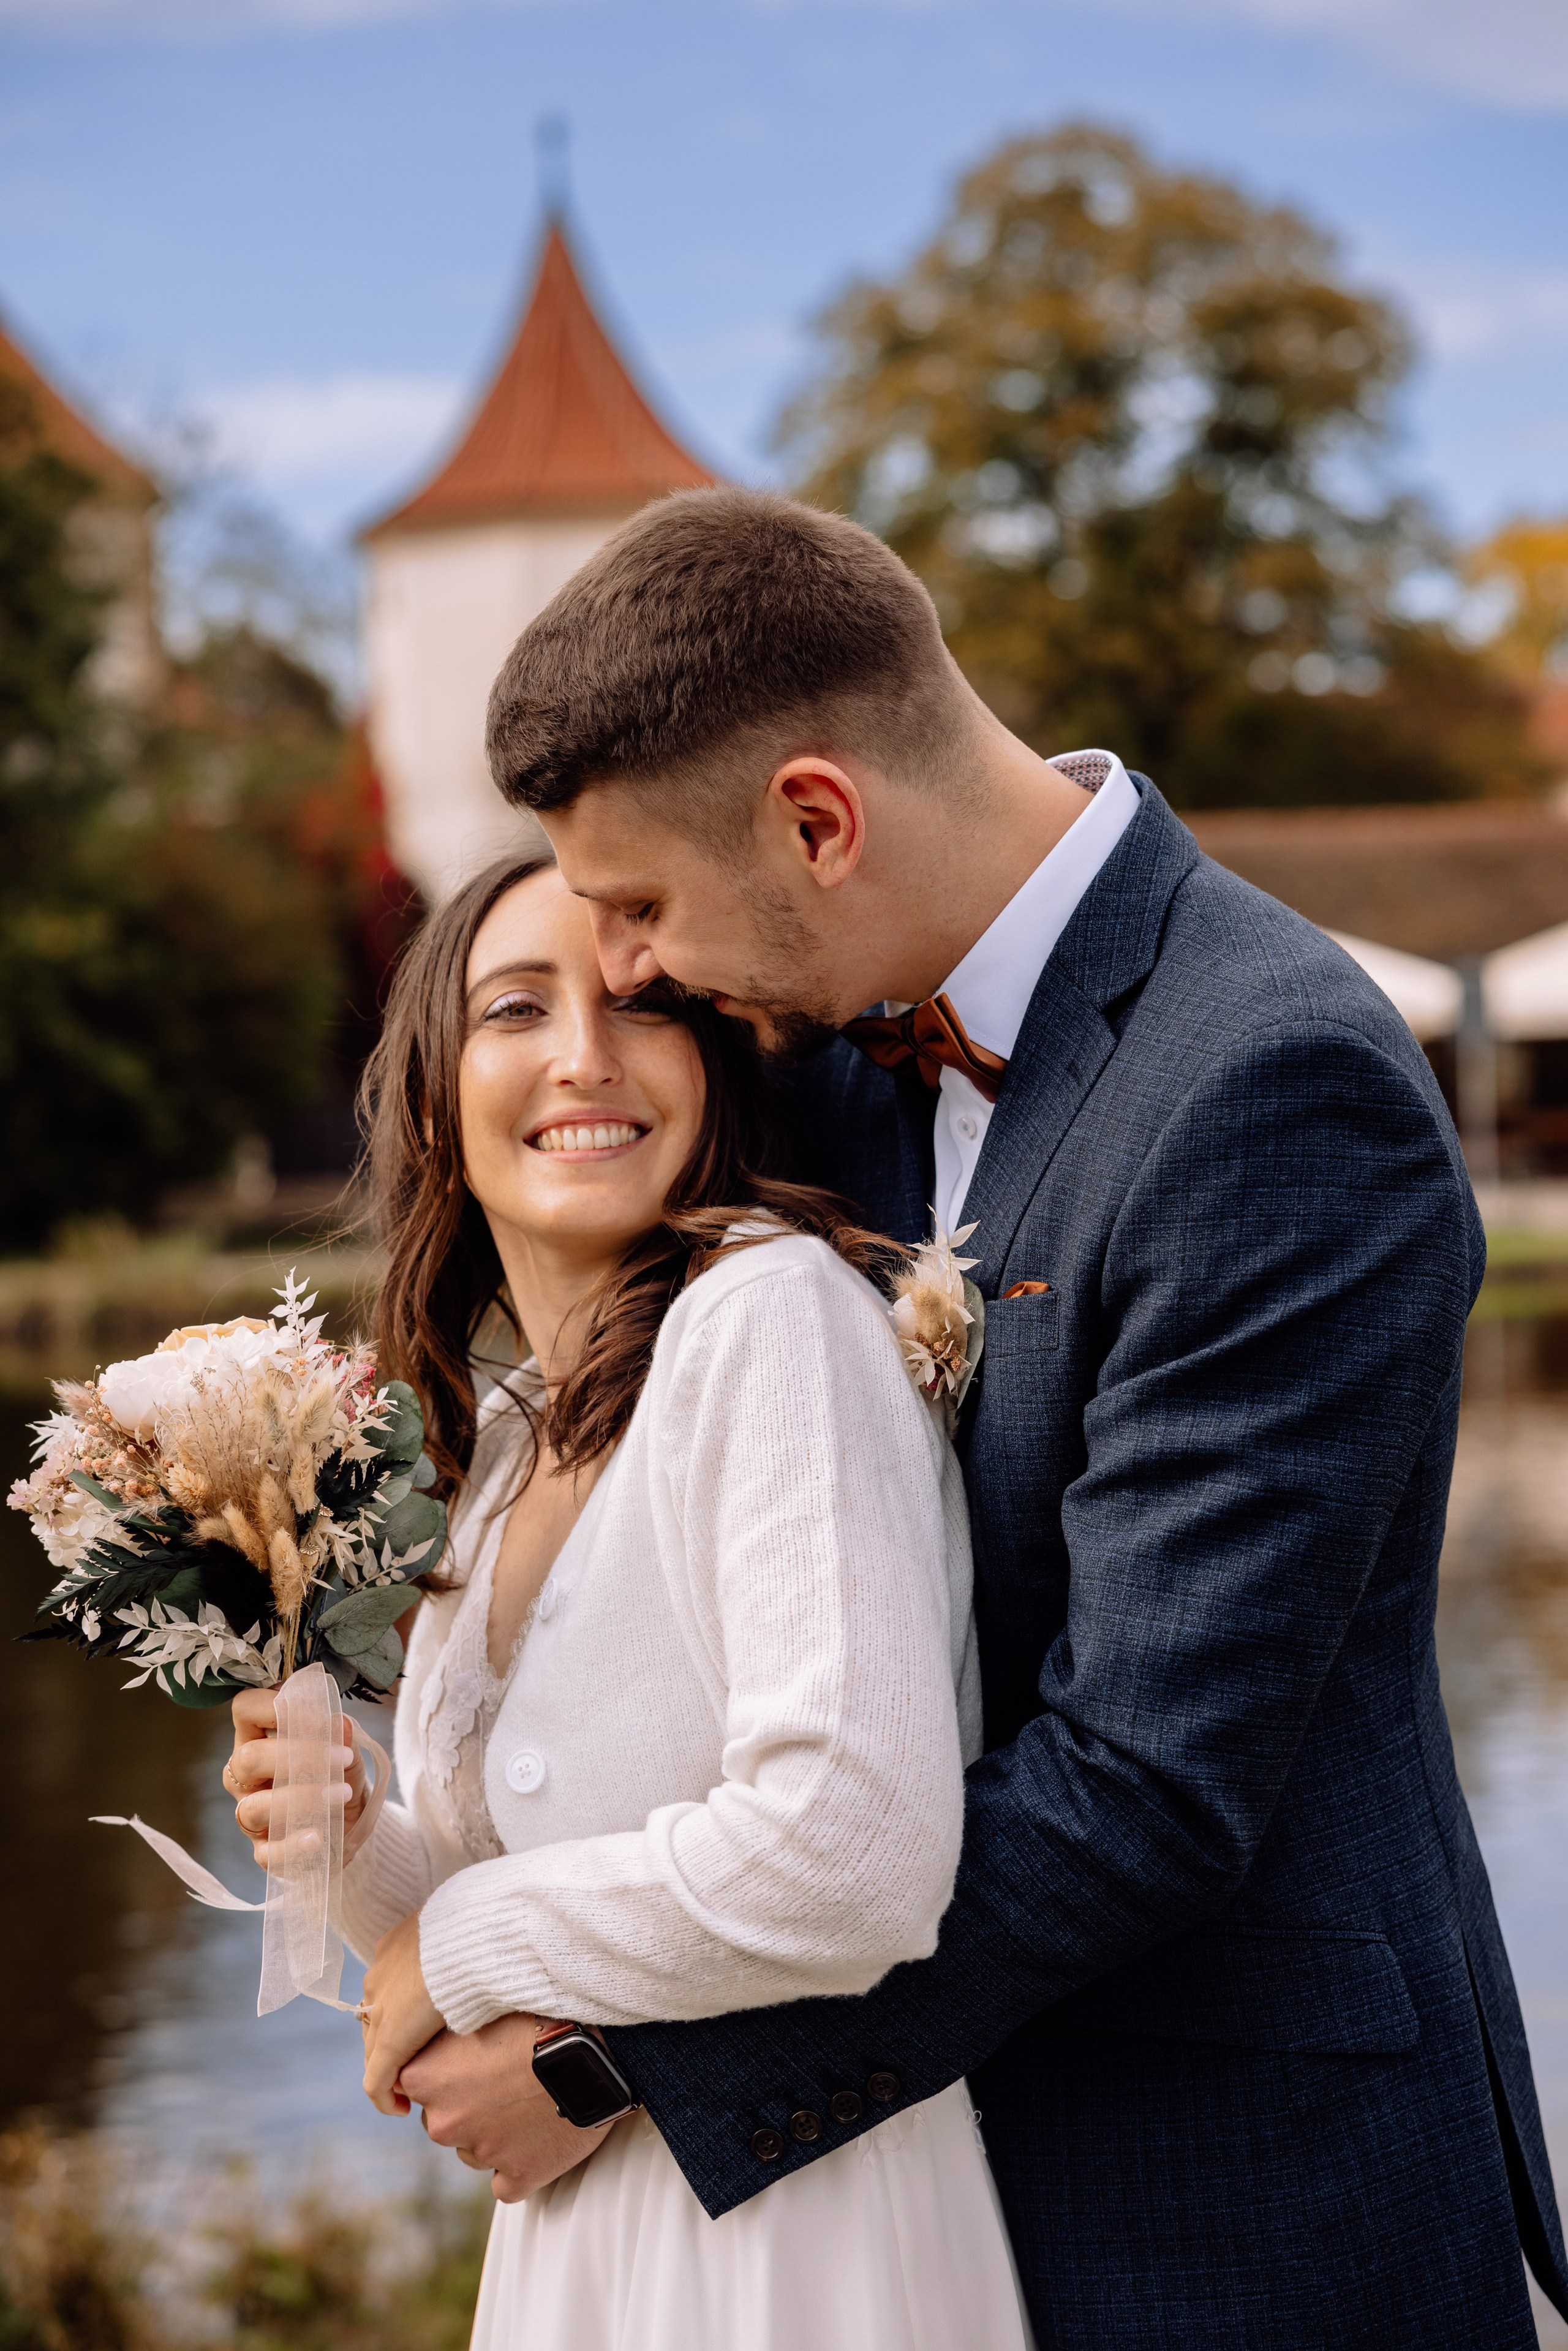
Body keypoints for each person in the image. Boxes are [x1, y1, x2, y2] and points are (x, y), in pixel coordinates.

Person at [395, 487, 1568, 2349]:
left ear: (815, 819)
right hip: (896, 2214)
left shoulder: (1271, 1079)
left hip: (1230, 2185)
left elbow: (1147, 1784)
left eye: (638, 905)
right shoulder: (814, 1048)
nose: (630, 971)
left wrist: (618, 2056)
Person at [224, 851, 1036, 2350]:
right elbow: (547, 1896)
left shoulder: (769, 1311)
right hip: (584, 2241)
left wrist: (457, 1940)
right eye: (516, 1008)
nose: (583, 1055)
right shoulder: (510, 1431)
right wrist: (352, 1843)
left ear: (712, 1071)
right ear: (430, 1094)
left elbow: (851, 1849)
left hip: (798, 2235)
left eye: (640, 1007)